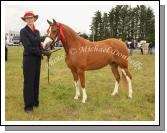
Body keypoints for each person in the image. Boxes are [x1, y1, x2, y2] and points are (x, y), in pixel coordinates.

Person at [20, 11, 50, 112]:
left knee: (36, 81)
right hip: (29, 59)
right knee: (29, 82)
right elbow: (28, 47)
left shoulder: (37, 32)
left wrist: (45, 50)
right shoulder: (23, 31)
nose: (29, 20)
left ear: (34, 19)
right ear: (25, 20)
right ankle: (28, 106)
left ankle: (35, 101)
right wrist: (41, 52)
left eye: (31, 18)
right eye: (27, 18)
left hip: (37, 60)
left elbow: (38, 45)